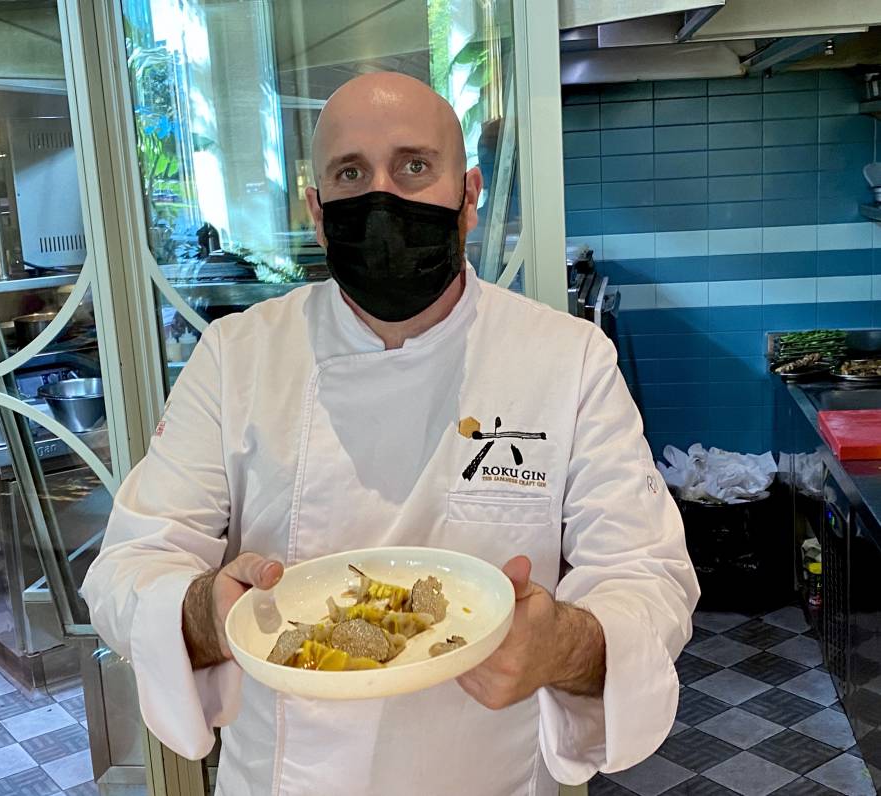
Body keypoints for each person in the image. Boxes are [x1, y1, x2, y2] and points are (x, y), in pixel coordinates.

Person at [82, 72, 699, 795]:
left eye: (413, 166)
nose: (383, 198)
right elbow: (131, 566)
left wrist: (561, 645)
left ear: (468, 197)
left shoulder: (568, 359)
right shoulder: (237, 357)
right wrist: (206, 615)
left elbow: (645, 573)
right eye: (351, 173)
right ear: (317, 212)